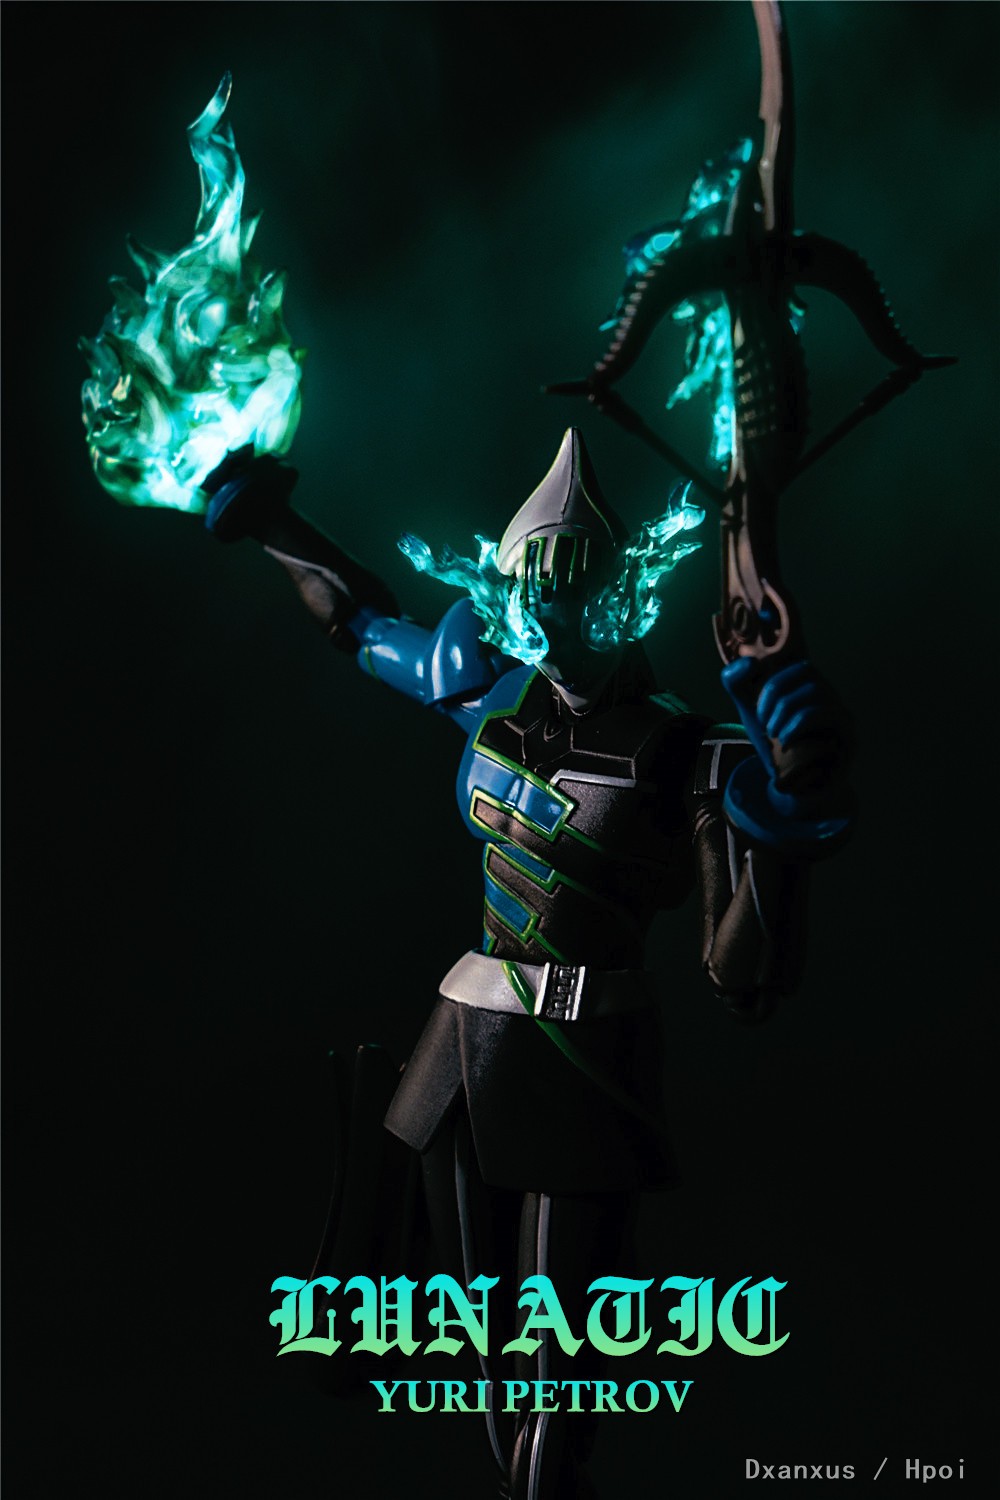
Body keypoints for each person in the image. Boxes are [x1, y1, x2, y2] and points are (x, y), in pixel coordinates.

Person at [204, 425, 850, 1500]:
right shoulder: (490, 698)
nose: (550, 615)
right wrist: (273, 522)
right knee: (487, 1354)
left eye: (572, 589)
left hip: (584, 1052)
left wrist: (779, 830)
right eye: (532, 592)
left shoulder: (688, 754)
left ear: (619, 595)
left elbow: (741, 980)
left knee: (557, 1377)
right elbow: (360, 624)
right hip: (466, 1039)